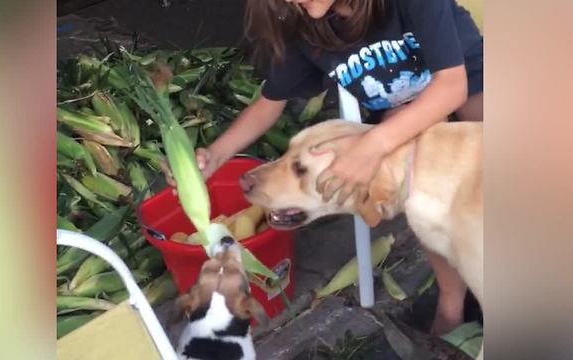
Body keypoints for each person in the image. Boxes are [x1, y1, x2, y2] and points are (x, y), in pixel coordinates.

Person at [164, 0, 483, 335]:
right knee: (422, 200)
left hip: (467, 79)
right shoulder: (306, 26)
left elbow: (452, 86)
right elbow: (269, 104)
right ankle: (450, 300)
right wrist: (214, 156)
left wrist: (372, 146)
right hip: (400, 108)